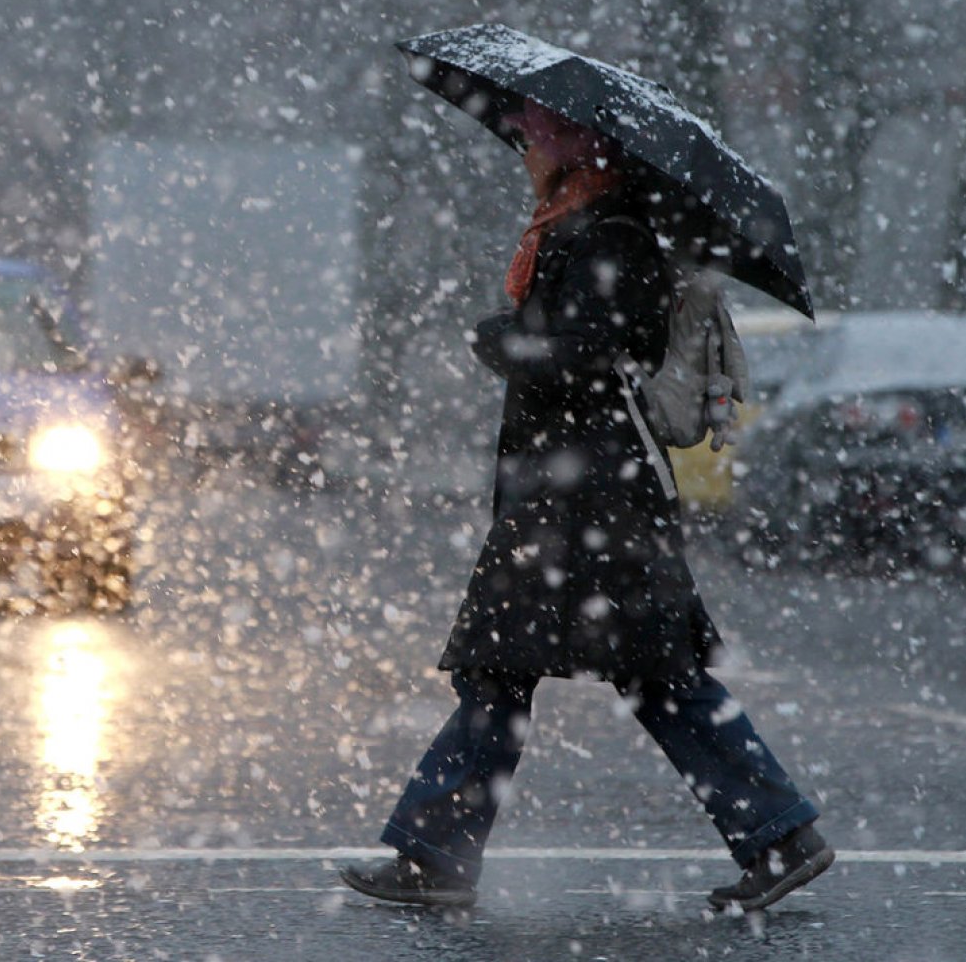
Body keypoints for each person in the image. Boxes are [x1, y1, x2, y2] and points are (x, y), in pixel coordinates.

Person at [340, 98, 833, 913]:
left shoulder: (613, 234)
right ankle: (776, 834)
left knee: (585, 673)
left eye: (539, 133)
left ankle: (440, 857)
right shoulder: (580, 225)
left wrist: (508, 342)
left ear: (578, 146)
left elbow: (601, 354)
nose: (526, 145)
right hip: (573, 496)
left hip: (594, 500)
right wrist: (522, 337)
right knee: (558, 673)